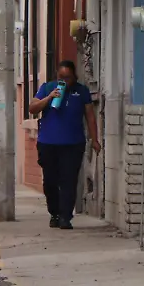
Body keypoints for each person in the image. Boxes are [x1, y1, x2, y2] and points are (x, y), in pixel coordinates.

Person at [28, 61, 101, 230]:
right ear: (57, 76)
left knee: (69, 180)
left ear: (74, 76)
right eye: (62, 77)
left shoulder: (81, 91)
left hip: (73, 144)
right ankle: (54, 213)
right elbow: (32, 108)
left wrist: (94, 139)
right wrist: (49, 98)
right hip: (48, 143)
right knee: (50, 181)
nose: (65, 81)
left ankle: (66, 217)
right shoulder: (47, 88)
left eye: (68, 78)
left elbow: (90, 116)